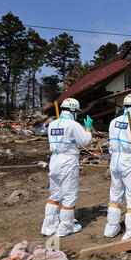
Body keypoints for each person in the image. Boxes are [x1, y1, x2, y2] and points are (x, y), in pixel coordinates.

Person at [41, 98, 93, 237]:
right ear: (73, 111)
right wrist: (88, 128)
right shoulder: (73, 125)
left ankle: (48, 227)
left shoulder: (52, 124)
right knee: (69, 195)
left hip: (55, 159)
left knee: (55, 194)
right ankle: (65, 227)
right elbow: (86, 141)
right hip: (67, 161)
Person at [104, 94, 131, 240]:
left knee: (115, 194)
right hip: (129, 161)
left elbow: (110, 145)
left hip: (115, 160)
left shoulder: (113, 122)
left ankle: (111, 228)